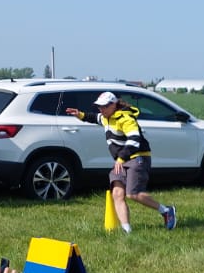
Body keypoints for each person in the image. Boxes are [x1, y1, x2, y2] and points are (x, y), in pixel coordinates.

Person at [63, 91, 177, 232]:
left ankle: (166, 211)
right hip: (121, 161)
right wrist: (79, 114)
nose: (101, 109)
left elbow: (134, 140)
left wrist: (121, 158)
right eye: (99, 106)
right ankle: (127, 231)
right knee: (117, 193)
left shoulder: (125, 118)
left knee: (133, 194)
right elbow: (93, 118)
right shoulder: (106, 117)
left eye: (104, 106)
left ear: (114, 105)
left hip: (137, 157)